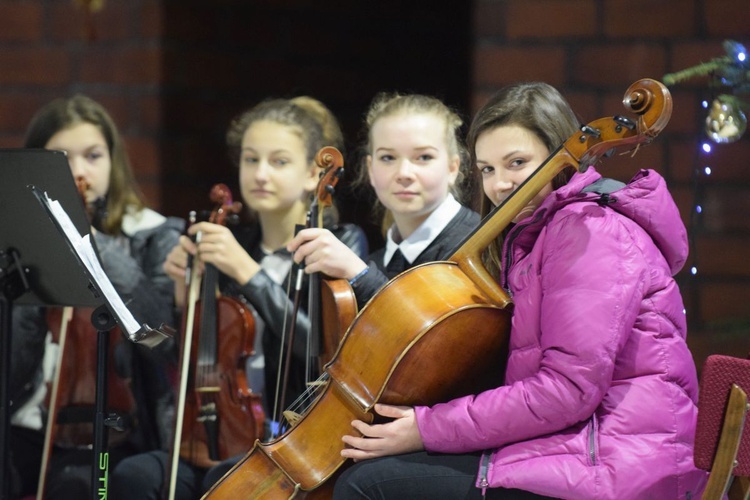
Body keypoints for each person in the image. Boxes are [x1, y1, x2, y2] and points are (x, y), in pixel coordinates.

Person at [331, 82, 708, 499]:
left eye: (517, 162)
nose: (501, 184)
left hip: (617, 464)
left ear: (562, 156)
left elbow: (567, 391)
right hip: (579, 447)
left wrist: (427, 428)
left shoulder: (590, 231)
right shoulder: (540, 234)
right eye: (488, 169)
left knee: (369, 486)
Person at [109, 96, 368, 500]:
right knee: (134, 476)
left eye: (279, 162)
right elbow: (170, 352)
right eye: (251, 160)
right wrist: (183, 299)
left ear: (311, 175)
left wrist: (248, 273)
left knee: (227, 484)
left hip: (289, 437)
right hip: (217, 432)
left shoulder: (338, 243)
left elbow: (320, 349)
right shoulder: (232, 243)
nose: (260, 173)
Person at [8, 94, 183, 499]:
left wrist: (88, 241)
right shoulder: (20, 242)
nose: (79, 171)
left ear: (113, 162)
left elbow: (161, 343)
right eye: (63, 158)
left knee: (76, 484)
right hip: (31, 421)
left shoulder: (155, 236)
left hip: (121, 428)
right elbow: (13, 367)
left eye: (93, 156)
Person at [287, 92, 479, 311]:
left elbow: (436, 337)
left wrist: (360, 275)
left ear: (452, 168)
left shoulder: (478, 247)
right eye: (388, 158)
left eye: (424, 157)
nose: (404, 173)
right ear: (370, 168)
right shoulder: (378, 261)